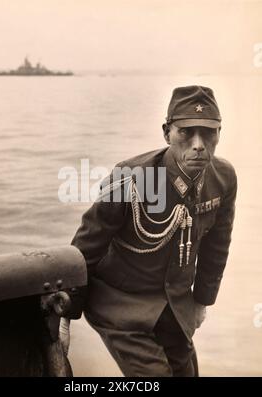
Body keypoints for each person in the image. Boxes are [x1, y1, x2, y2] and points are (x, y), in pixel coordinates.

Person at [66, 85, 237, 377]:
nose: (199, 144)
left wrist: (202, 301)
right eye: (186, 132)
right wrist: (66, 316)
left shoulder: (223, 178)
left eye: (209, 132)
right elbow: (87, 245)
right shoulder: (132, 178)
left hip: (174, 305)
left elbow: (217, 246)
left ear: (220, 133)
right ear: (167, 133)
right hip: (120, 304)